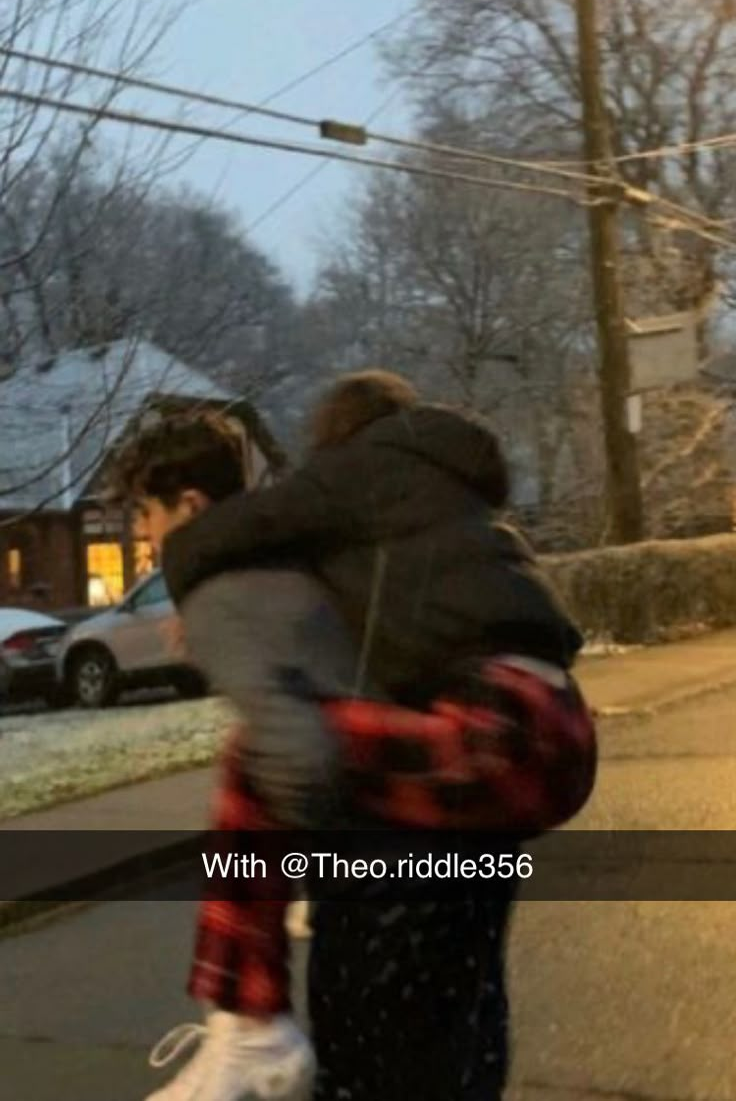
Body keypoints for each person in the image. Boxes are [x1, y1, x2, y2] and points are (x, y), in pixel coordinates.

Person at [109, 383, 596, 1101]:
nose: (144, 538)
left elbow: (298, 750)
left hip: (492, 739)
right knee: (463, 1028)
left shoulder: (363, 473)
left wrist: (189, 568)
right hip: (548, 732)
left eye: (145, 518)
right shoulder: (446, 506)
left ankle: (248, 1025)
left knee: (252, 761)